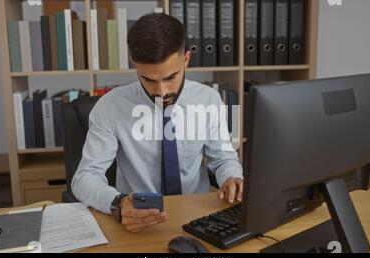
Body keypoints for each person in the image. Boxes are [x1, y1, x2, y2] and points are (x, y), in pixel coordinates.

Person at [72, 13, 244, 233]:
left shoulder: (209, 100)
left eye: (170, 77)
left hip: (198, 216)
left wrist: (232, 178)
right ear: (134, 64)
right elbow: (85, 177)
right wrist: (118, 204)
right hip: (138, 220)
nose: (161, 92)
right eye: (149, 80)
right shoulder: (110, 107)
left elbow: (223, 158)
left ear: (186, 60)